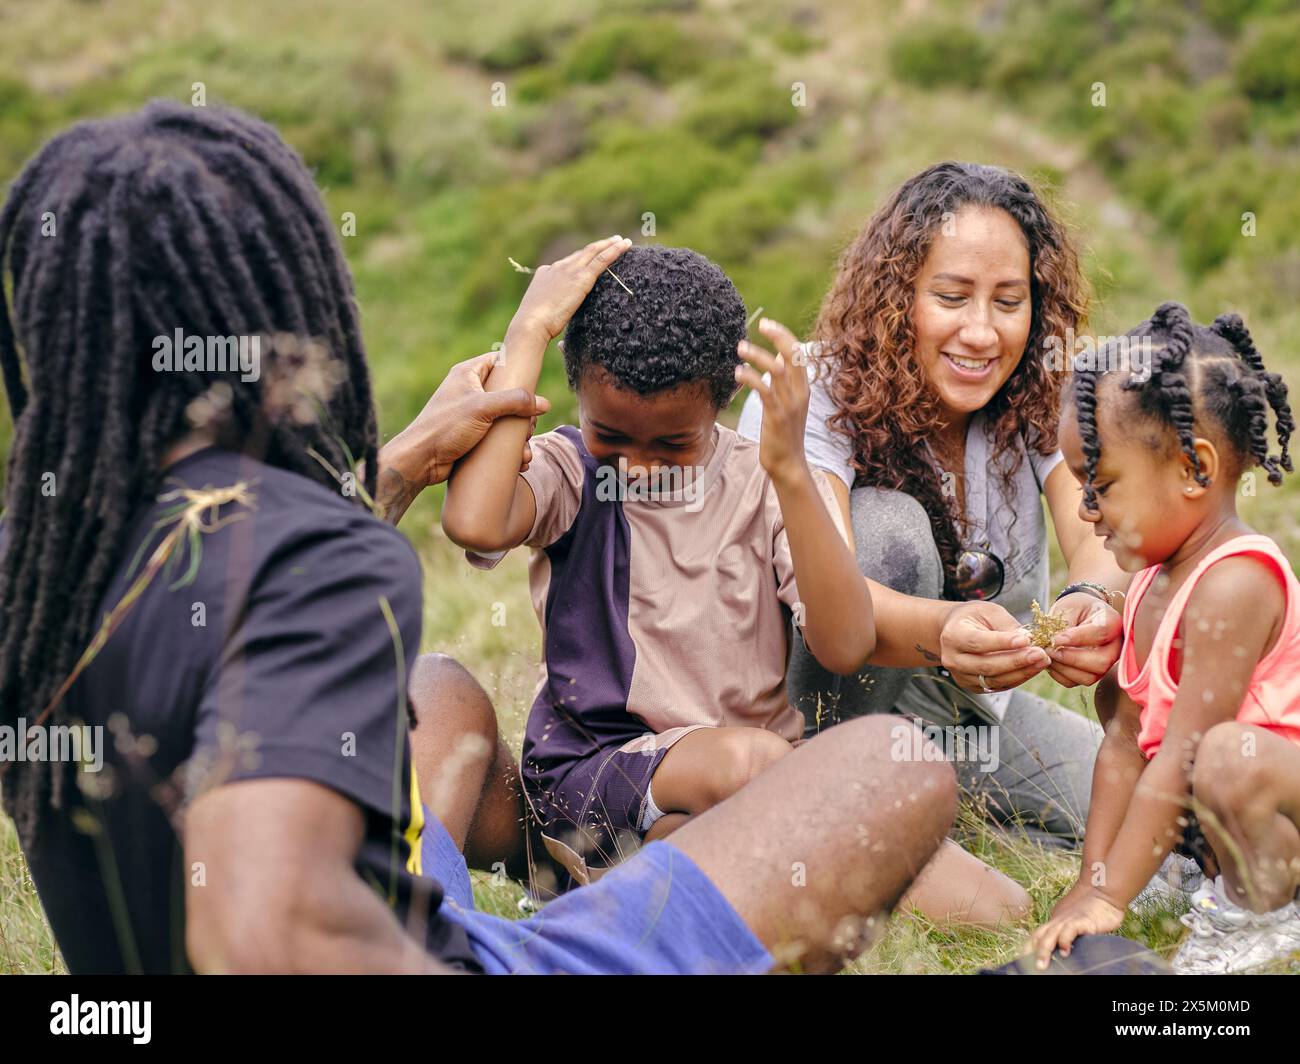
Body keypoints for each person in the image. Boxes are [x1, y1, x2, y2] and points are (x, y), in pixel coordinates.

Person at [0, 101, 955, 974]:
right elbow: (263, 931)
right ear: (296, 302)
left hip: (420, 921)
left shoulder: (39, 570)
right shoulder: (317, 556)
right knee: (891, 767)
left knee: (435, 693)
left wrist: (404, 463)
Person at [738, 162, 1130, 919]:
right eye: (950, 298)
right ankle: (838, 808)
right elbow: (836, 609)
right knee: (892, 532)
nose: (981, 332)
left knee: (1157, 822)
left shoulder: (1039, 390)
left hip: (964, 718)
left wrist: (1091, 600)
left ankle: (939, 822)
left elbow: (1099, 536)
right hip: (815, 717)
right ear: (897, 298)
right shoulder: (812, 395)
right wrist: (944, 629)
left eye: (1009, 302)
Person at [442, 243, 874, 886]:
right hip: (595, 771)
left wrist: (790, 471)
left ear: (720, 405)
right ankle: (608, 876)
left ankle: (623, 890)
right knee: (754, 767)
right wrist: (528, 332)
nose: (636, 465)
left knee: (986, 900)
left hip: (749, 781)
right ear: (579, 398)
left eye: (673, 443)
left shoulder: (767, 480)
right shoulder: (568, 472)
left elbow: (846, 644)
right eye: (610, 435)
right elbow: (474, 522)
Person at [1031, 303, 1300, 975]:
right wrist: (1093, 887)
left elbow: (1181, 758)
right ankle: (1216, 883)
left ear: (1193, 469)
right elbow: (1125, 746)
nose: (1087, 509)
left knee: (1223, 756)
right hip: (1234, 821)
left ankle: (1261, 916)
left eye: (1105, 484)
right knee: (1123, 703)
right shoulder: (1150, 583)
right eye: (1080, 486)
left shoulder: (1236, 582)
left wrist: (1111, 900)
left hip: (1272, 798)